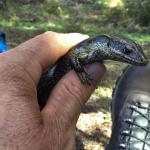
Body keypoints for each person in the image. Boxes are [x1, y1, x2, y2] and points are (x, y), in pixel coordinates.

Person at [0, 31, 106, 149]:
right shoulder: (90, 49)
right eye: (126, 52)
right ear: (106, 46)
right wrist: (81, 73)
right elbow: (75, 58)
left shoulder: (92, 49)